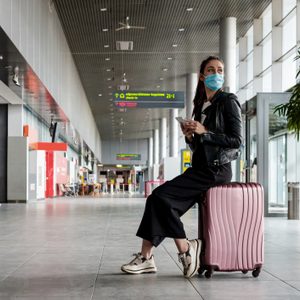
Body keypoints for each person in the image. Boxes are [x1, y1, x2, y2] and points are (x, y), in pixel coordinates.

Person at [121, 56, 242, 278]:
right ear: (203, 76)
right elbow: (199, 144)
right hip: (200, 168)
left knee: (160, 197)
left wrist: (205, 131)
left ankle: (187, 249)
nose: (217, 74)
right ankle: (147, 258)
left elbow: (236, 141)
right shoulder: (200, 105)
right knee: (157, 201)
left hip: (216, 170)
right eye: (211, 70)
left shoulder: (228, 101)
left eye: (220, 70)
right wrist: (189, 136)